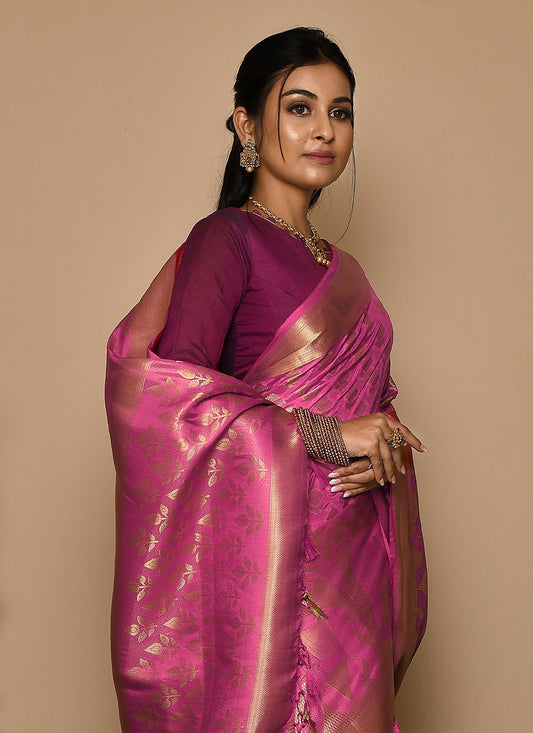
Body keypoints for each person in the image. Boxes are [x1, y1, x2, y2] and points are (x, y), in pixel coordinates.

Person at [105, 27, 428, 733]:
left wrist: (384, 444)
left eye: (340, 112)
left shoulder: (345, 271)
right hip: (282, 574)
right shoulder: (226, 240)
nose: (324, 130)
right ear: (247, 125)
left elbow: (367, 407)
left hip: (354, 570)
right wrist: (329, 433)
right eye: (300, 108)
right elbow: (172, 412)